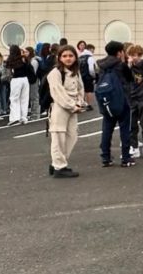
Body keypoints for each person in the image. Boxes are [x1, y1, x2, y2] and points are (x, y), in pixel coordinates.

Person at [46, 45, 87, 177]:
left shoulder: (76, 72)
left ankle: (57, 162)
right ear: (59, 58)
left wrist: (80, 102)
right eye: (64, 56)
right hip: (60, 108)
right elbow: (58, 93)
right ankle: (59, 167)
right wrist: (72, 105)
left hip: (73, 108)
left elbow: (80, 89)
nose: (68, 58)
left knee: (72, 136)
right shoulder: (55, 73)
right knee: (58, 138)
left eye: (71, 56)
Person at [97, 41, 134, 167]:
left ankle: (106, 157)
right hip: (121, 100)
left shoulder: (101, 65)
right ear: (119, 52)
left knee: (107, 129)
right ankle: (126, 157)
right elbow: (130, 79)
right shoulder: (121, 65)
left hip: (106, 100)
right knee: (124, 129)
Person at [6, 46, 33, 124]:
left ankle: (15, 118)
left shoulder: (10, 59)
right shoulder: (24, 58)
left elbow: (9, 72)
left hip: (16, 79)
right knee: (24, 99)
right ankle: (23, 117)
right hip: (25, 79)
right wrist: (23, 51)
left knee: (14, 99)